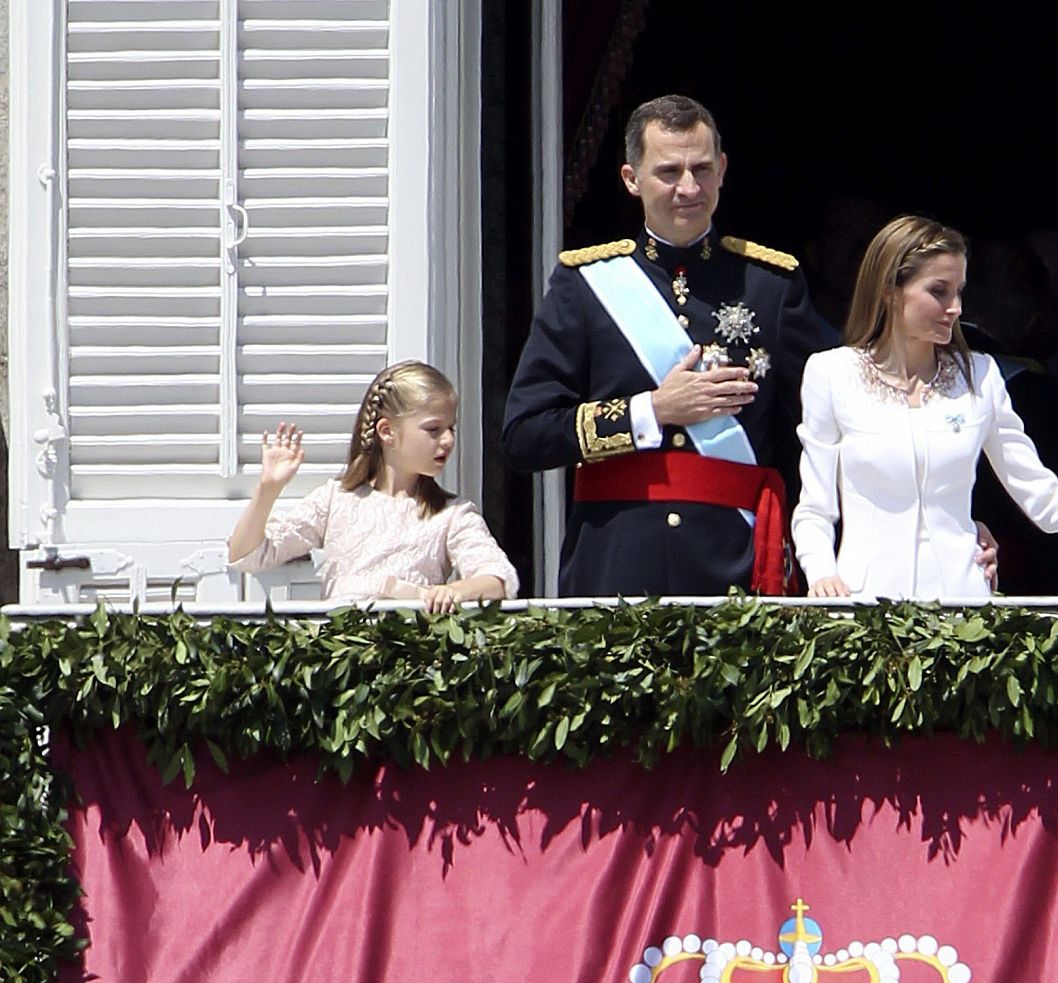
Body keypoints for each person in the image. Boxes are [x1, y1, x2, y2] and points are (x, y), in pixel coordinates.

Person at [501, 94, 833, 596]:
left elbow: (838, 421)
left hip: (736, 568)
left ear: (722, 170)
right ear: (632, 179)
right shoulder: (586, 285)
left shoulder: (771, 286)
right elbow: (524, 435)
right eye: (668, 171)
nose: (688, 187)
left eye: (701, 169)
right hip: (617, 566)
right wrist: (652, 411)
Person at [792, 216, 1058, 600]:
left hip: (962, 610)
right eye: (939, 291)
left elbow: (1049, 505)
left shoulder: (981, 377)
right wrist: (822, 572)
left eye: (959, 291)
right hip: (864, 606)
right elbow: (815, 507)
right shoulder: (831, 373)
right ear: (890, 291)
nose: (956, 307)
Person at [229, 361, 518, 610]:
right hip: (343, 657)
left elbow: (499, 580)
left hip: (411, 660)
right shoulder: (335, 500)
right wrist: (268, 488)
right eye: (433, 429)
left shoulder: (451, 514)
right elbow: (247, 555)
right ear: (387, 431)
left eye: (451, 429)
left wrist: (454, 592)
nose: (448, 440)